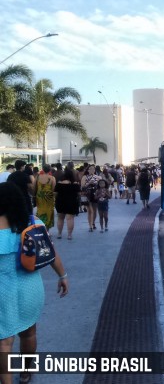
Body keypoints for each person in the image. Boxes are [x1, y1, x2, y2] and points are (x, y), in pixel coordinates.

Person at [0, 182, 69, 384]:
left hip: (3, 291)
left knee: (4, 341)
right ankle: (24, 373)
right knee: (29, 332)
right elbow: (51, 253)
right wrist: (62, 276)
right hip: (30, 287)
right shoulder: (34, 222)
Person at [54, 169, 81, 240]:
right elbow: (79, 194)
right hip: (72, 202)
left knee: (60, 218)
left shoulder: (59, 183)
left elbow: (55, 194)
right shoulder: (75, 184)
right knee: (70, 219)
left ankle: (59, 233)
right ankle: (69, 235)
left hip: (60, 202)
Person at [34, 164, 56, 230]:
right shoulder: (52, 178)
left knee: (40, 211)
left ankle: (40, 227)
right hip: (49, 197)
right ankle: (47, 229)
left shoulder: (37, 177)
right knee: (49, 211)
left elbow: (34, 187)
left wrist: (35, 195)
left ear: (43, 169)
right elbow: (53, 189)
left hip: (39, 196)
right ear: (50, 170)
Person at [80, 165, 101, 232]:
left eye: (93, 169)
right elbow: (82, 186)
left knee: (94, 211)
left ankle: (93, 222)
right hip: (87, 195)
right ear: (88, 170)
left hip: (95, 194)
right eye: (90, 169)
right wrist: (89, 183)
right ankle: (90, 226)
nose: (92, 170)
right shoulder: (84, 177)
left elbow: (101, 185)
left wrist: (99, 181)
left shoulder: (98, 177)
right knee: (90, 211)